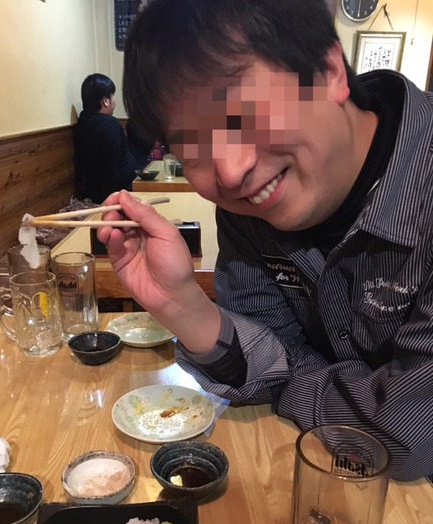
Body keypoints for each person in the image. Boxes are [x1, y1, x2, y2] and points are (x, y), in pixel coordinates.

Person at [97, 0, 433, 482]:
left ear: (328, 69)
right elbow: (265, 363)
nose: (231, 172)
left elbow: (407, 435)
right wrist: (182, 305)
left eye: (243, 114)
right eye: (193, 148)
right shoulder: (248, 212)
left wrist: (287, 380)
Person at [74, 73, 138, 203]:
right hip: (119, 190)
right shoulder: (109, 124)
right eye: (113, 95)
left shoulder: (84, 119)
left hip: (95, 188)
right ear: (105, 101)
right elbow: (110, 168)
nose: (114, 100)